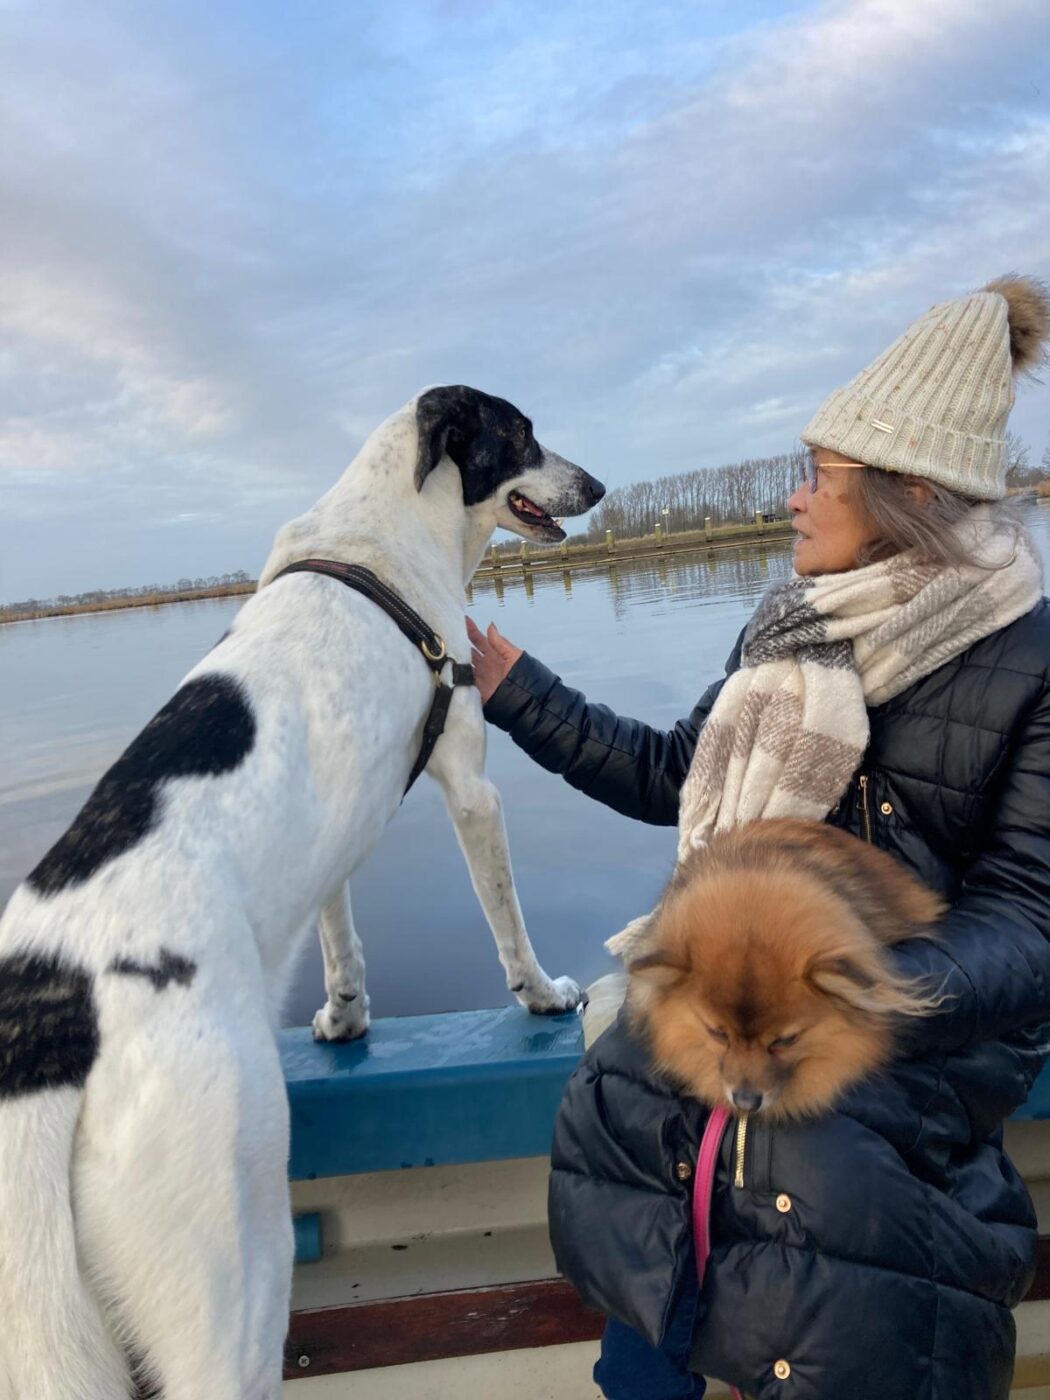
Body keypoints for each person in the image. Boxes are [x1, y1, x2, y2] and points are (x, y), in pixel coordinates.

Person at [467, 276, 1050, 1399]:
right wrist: (522, 695)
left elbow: (1031, 920)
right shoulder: (785, 629)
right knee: (636, 1139)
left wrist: (852, 985)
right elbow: (672, 773)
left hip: (903, 1038)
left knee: (827, 1216)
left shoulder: (1032, 659)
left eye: (820, 475)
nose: (793, 499)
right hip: (740, 1022)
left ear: (908, 491)